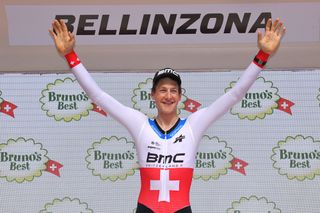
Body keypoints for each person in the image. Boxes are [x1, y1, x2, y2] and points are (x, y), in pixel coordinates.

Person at [49, 18, 285, 213]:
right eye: (162, 90)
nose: (168, 95)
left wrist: (262, 55)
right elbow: (98, 96)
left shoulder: (193, 125)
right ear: (153, 95)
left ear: (180, 96)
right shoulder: (140, 124)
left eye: (173, 90)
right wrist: (71, 56)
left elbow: (235, 94)